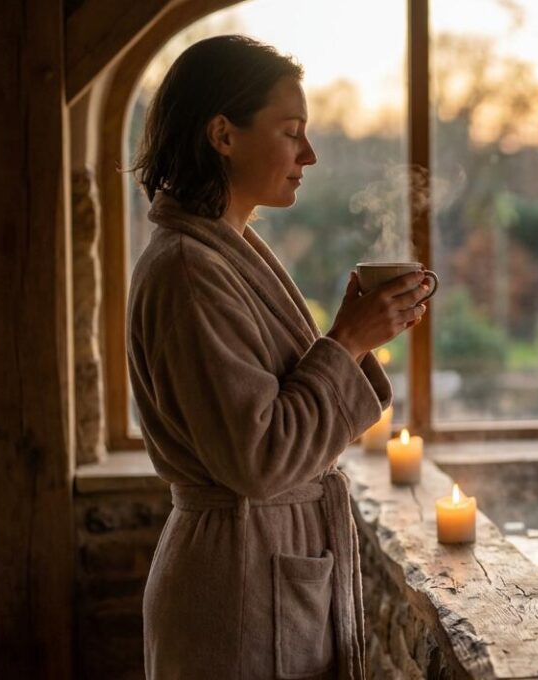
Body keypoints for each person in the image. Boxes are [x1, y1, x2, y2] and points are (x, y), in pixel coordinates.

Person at [126, 35, 428, 679]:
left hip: (259, 569)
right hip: (235, 591)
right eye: (291, 132)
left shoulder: (223, 253)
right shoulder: (188, 270)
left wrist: (357, 338)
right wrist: (346, 342)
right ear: (223, 135)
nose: (309, 155)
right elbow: (258, 457)